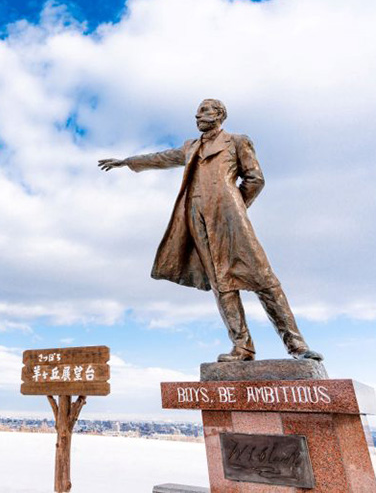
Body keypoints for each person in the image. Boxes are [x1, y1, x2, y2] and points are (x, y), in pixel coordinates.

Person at [99, 99, 323, 363]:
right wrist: (127, 161)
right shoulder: (191, 147)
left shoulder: (238, 142)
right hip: (196, 219)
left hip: (229, 218)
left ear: (220, 115)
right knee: (221, 284)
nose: (198, 115)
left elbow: (255, 179)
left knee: (264, 279)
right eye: (198, 112)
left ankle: (296, 345)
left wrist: (234, 205)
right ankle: (242, 347)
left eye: (205, 110)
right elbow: (160, 158)